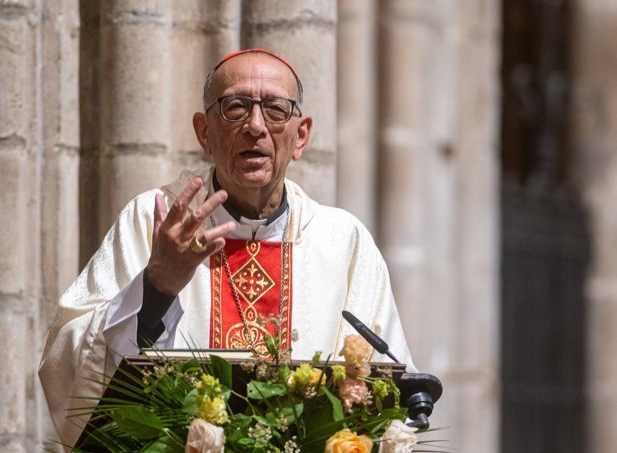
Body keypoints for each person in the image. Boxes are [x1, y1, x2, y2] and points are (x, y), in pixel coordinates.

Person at [38, 48, 415, 448]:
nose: (255, 126)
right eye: (235, 107)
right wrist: (156, 288)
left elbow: (394, 396)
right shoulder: (153, 220)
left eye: (275, 109)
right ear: (204, 132)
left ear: (300, 136)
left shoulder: (343, 243)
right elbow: (69, 364)